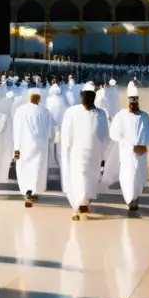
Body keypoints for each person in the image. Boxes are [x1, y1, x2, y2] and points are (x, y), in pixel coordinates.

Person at [60, 82, 110, 221]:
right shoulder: (72, 112)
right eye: (84, 100)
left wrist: (103, 153)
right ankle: (76, 207)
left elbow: (105, 135)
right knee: (78, 178)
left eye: (88, 100)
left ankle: (84, 202)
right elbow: (67, 132)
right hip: (77, 153)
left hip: (94, 155)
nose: (85, 102)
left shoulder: (100, 114)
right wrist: (67, 149)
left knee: (90, 180)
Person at [108, 85, 149, 212]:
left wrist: (144, 145)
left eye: (135, 101)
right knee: (129, 176)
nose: (132, 104)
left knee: (138, 176)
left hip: (141, 153)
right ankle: (131, 200)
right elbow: (114, 134)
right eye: (131, 101)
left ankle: (135, 199)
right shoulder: (121, 116)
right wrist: (130, 146)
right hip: (126, 153)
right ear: (128, 102)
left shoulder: (144, 116)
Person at [12, 88, 54, 207]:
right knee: (37, 169)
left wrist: (16, 147)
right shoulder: (45, 111)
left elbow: (17, 129)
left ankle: (27, 191)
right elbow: (51, 130)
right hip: (40, 146)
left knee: (25, 168)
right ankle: (32, 190)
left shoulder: (21, 110)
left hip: (24, 145)